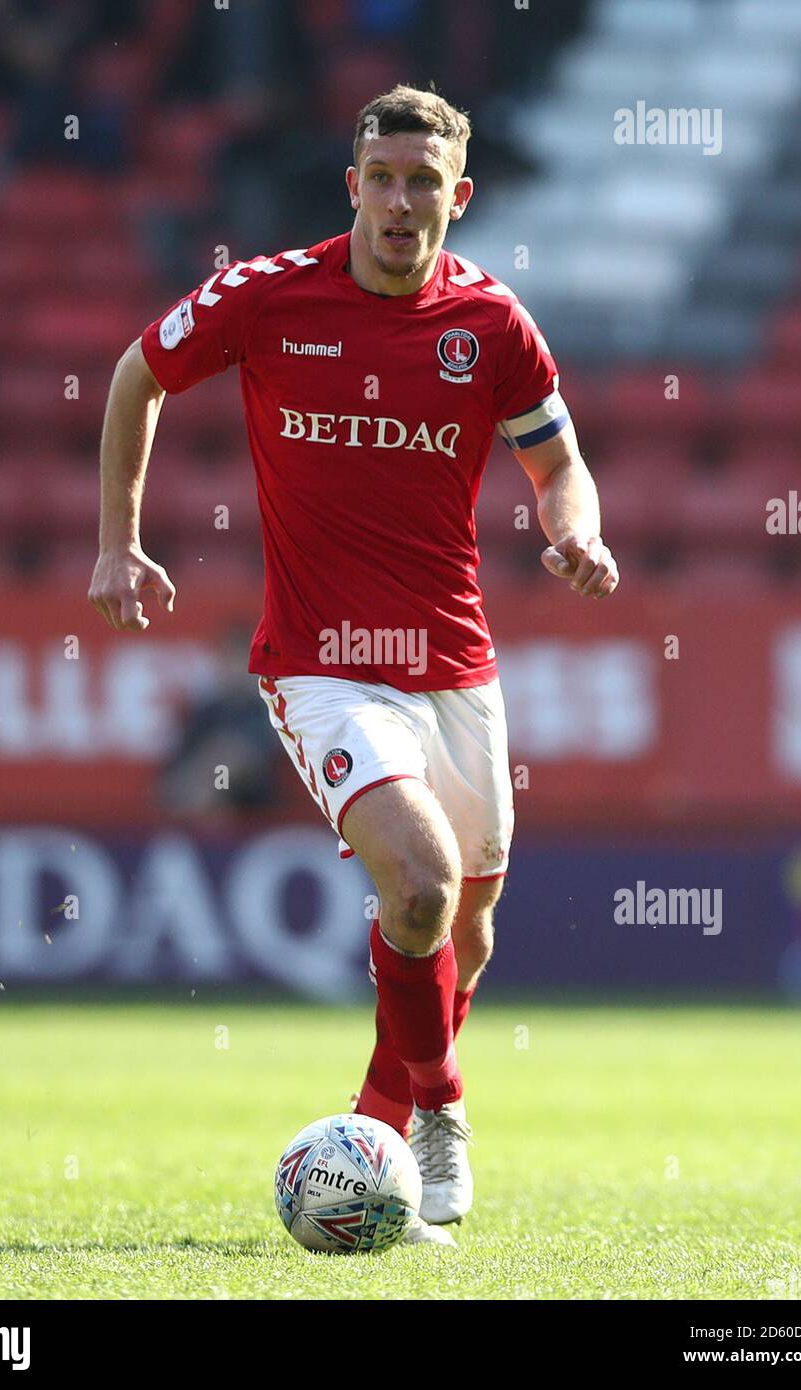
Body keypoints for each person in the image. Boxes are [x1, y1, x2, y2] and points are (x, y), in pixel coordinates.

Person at [88, 84, 619, 1247]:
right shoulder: (269, 294)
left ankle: (370, 1123)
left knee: (465, 930)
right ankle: (437, 1116)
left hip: (455, 664)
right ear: (351, 187)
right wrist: (117, 541)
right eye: (379, 177)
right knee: (419, 887)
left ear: (457, 197)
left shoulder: (490, 324)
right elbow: (135, 374)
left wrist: (571, 528)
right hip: (320, 664)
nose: (397, 200)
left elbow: (557, 462)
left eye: (422, 181)